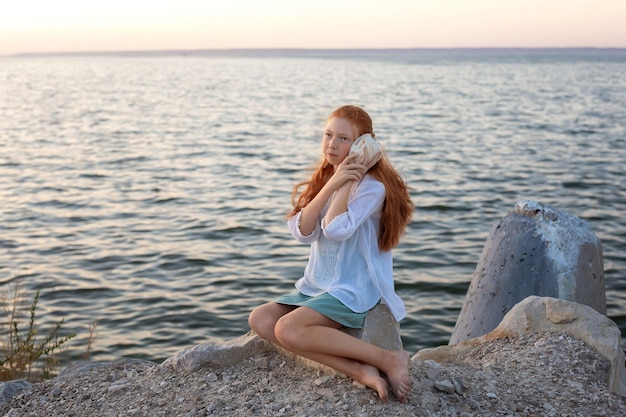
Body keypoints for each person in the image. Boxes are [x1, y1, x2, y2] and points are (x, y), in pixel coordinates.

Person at [248, 105, 414, 403]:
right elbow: (303, 231)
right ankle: (360, 370)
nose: (331, 144)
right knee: (261, 319)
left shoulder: (372, 189)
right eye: (328, 135)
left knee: (287, 328)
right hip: (318, 285)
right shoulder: (327, 177)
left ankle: (389, 358)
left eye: (343, 138)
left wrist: (348, 178)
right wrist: (333, 183)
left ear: (364, 145)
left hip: (352, 287)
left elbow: (336, 229)